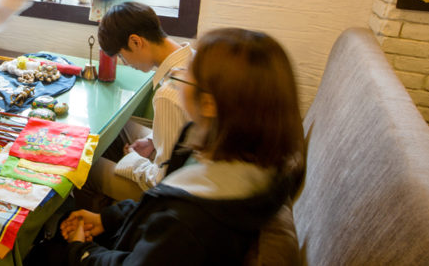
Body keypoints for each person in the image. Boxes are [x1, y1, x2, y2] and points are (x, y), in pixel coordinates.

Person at [42, 28, 305, 265]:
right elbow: (158, 203)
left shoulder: (189, 222)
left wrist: (82, 250)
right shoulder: (240, 153)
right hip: (129, 238)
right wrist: (106, 219)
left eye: (188, 74)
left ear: (210, 104)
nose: (178, 76)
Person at [84, 2, 192, 203]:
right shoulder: (192, 57)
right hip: (191, 158)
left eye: (121, 56)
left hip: (177, 194)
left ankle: (102, 227)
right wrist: (153, 141)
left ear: (135, 42)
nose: (126, 63)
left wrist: (132, 162)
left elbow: (161, 179)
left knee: (85, 170)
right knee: (119, 128)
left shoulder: (169, 93)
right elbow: (182, 129)